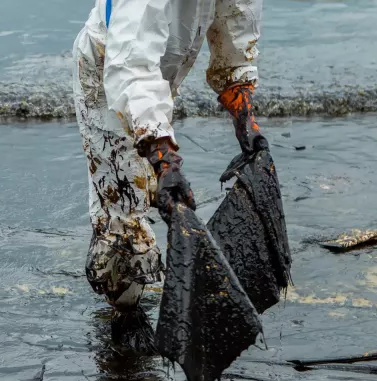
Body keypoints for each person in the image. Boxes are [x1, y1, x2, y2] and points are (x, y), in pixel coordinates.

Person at [73, 0, 268, 313]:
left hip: (158, 76)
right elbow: (130, 68)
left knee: (148, 183)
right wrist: (163, 156)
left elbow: (236, 24)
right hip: (109, 75)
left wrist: (244, 114)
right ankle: (122, 318)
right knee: (125, 222)